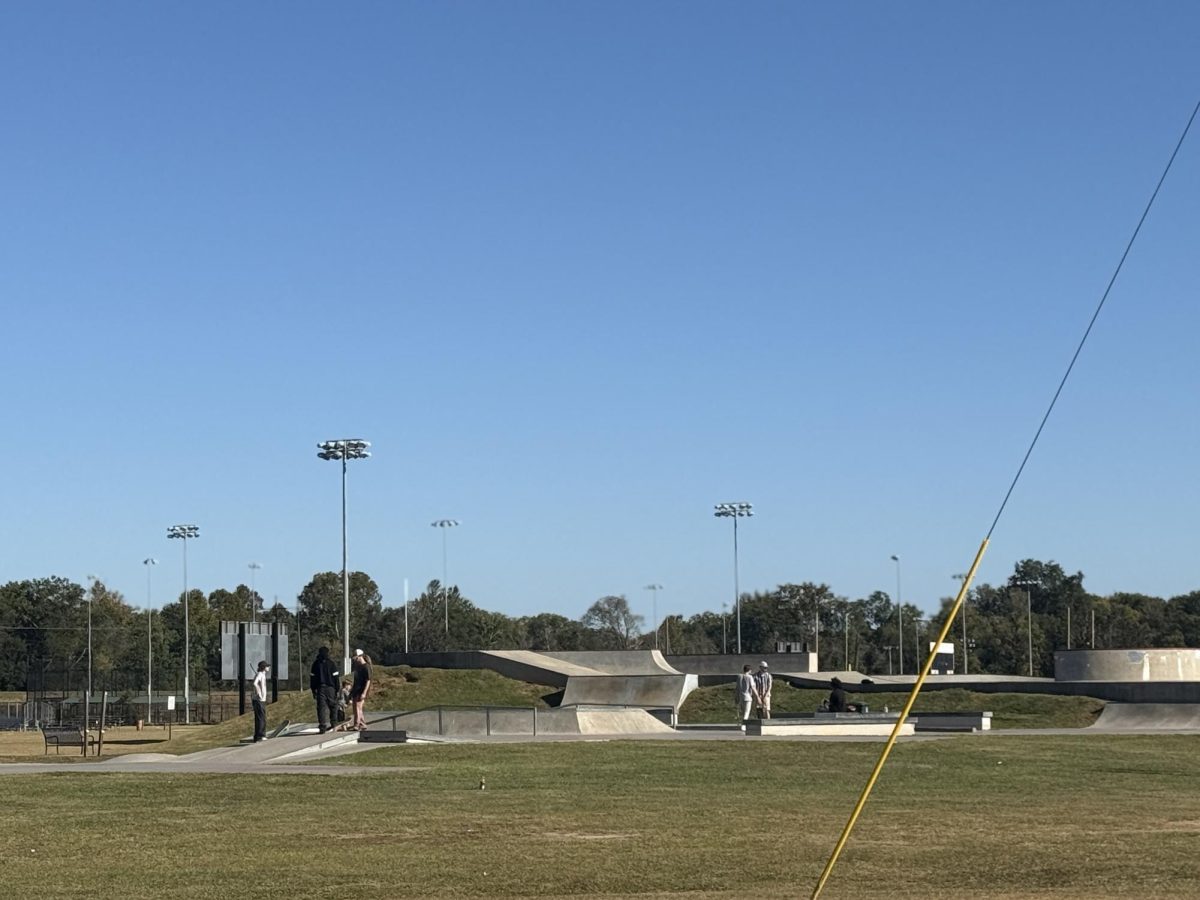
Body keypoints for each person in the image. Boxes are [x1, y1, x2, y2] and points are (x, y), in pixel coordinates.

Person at [309, 646, 340, 734]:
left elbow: (312, 678)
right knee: (333, 706)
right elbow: (336, 677)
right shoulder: (331, 664)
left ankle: (322, 726)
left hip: (320, 688)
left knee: (321, 708)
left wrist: (313, 690)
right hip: (331, 688)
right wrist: (337, 689)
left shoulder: (315, 664)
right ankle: (334, 723)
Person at [350, 648, 373, 731]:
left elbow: (368, 681)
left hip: (361, 690)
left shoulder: (366, 667)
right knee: (356, 707)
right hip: (356, 689)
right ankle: (362, 724)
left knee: (357, 707)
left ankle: (356, 724)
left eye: (355, 657)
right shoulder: (358, 667)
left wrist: (364, 692)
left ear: (360, 657)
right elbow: (355, 680)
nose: (354, 660)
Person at [251, 660, 269, 742]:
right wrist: (259, 693)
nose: (268, 668)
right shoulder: (260, 674)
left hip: (261, 700)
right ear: (264, 667)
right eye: (267, 666)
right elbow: (255, 683)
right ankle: (260, 735)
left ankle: (257, 736)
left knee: (261, 717)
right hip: (259, 700)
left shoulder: (262, 675)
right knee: (261, 718)